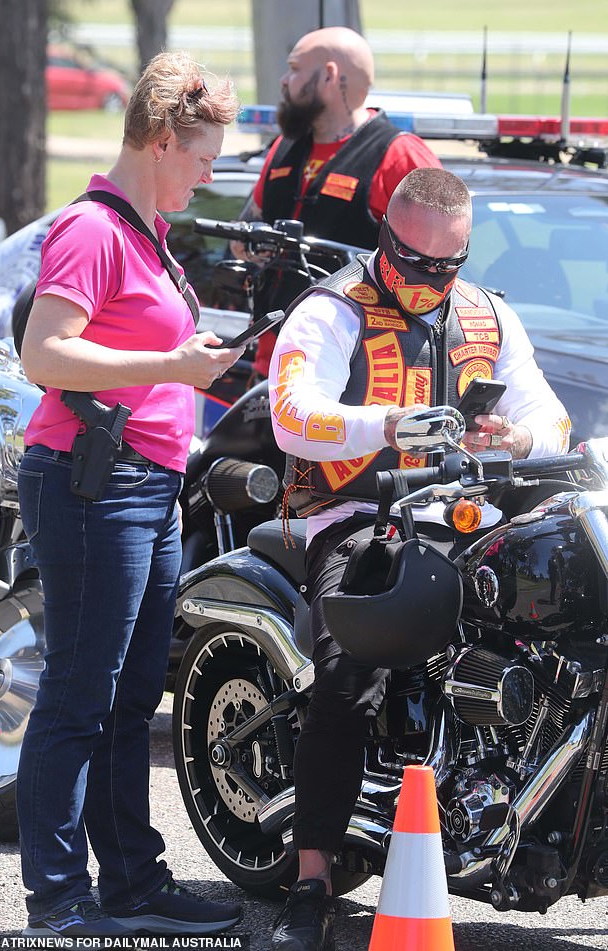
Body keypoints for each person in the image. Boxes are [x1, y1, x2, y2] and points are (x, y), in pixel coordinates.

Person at [267, 167, 571, 951]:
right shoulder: (331, 310)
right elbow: (295, 416)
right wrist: (387, 426)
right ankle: (310, 882)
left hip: (464, 516)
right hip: (356, 515)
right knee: (350, 672)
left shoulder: (487, 315)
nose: (429, 281)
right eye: (412, 263)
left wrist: (517, 437)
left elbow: (549, 414)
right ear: (385, 238)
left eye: (447, 266)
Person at [16, 51, 245, 939]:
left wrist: (193, 367)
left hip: (142, 485)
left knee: (127, 692)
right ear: (159, 141)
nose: (209, 173)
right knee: (80, 691)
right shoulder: (94, 229)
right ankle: (58, 900)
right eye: (202, 157)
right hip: (92, 483)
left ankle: (131, 883)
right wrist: (172, 365)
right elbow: (45, 354)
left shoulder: (142, 231)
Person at [237, 25, 441, 380]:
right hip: (272, 365)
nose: (285, 80)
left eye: (295, 68)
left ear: (330, 75)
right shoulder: (281, 149)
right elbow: (242, 238)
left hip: (358, 372)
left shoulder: (400, 155)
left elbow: (442, 266)